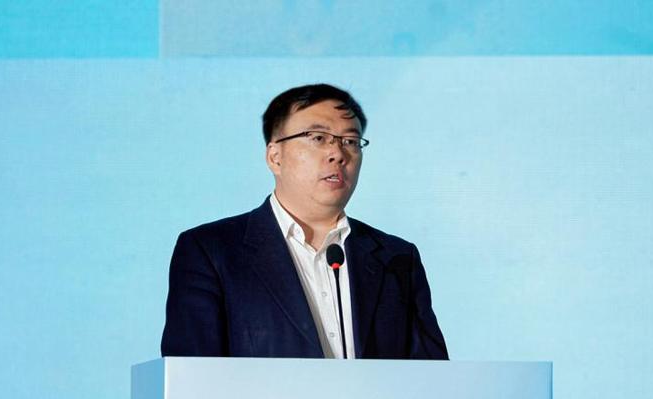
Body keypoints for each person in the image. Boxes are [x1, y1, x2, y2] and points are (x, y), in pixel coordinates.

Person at [160, 83, 448, 359]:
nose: (338, 154)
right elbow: (190, 375)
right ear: (275, 157)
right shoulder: (211, 251)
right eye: (318, 138)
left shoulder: (397, 259)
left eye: (350, 141)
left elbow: (431, 378)